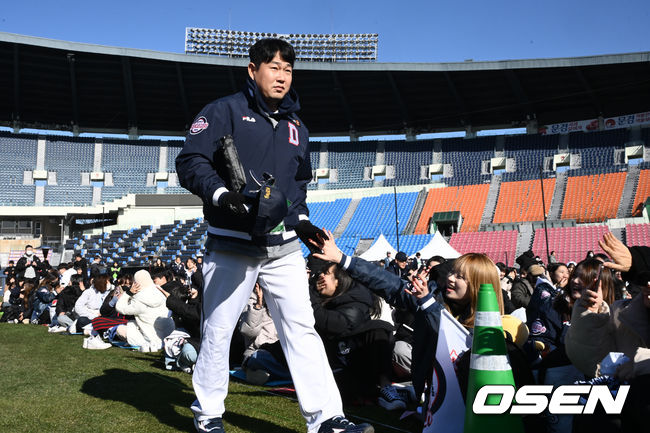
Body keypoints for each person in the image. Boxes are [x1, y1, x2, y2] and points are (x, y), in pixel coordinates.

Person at [175, 38, 371, 433]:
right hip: (231, 242)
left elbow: (298, 185)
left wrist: (301, 220)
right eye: (273, 67)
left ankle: (327, 417)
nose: (281, 76)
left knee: (300, 328)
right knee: (218, 327)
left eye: (287, 69)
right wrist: (222, 195)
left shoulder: (298, 127)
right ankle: (208, 414)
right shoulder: (224, 110)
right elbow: (189, 160)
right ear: (252, 70)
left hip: (282, 247)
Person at [308, 258, 398, 410]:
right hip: (332, 359)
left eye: (326, 273)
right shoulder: (326, 297)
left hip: (350, 361)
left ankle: (385, 388)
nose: (321, 277)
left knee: (379, 328)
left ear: (339, 280)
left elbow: (329, 324)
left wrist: (309, 293)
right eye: (320, 273)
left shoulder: (356, 300)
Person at [115, 270, 175, 353]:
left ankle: (146, 344)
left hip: (154, 340)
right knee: (132, 323)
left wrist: (128, 293)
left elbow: (119, 308)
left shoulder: (139, 300)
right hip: (170, 334)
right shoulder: (160, 291)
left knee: (120, 329)